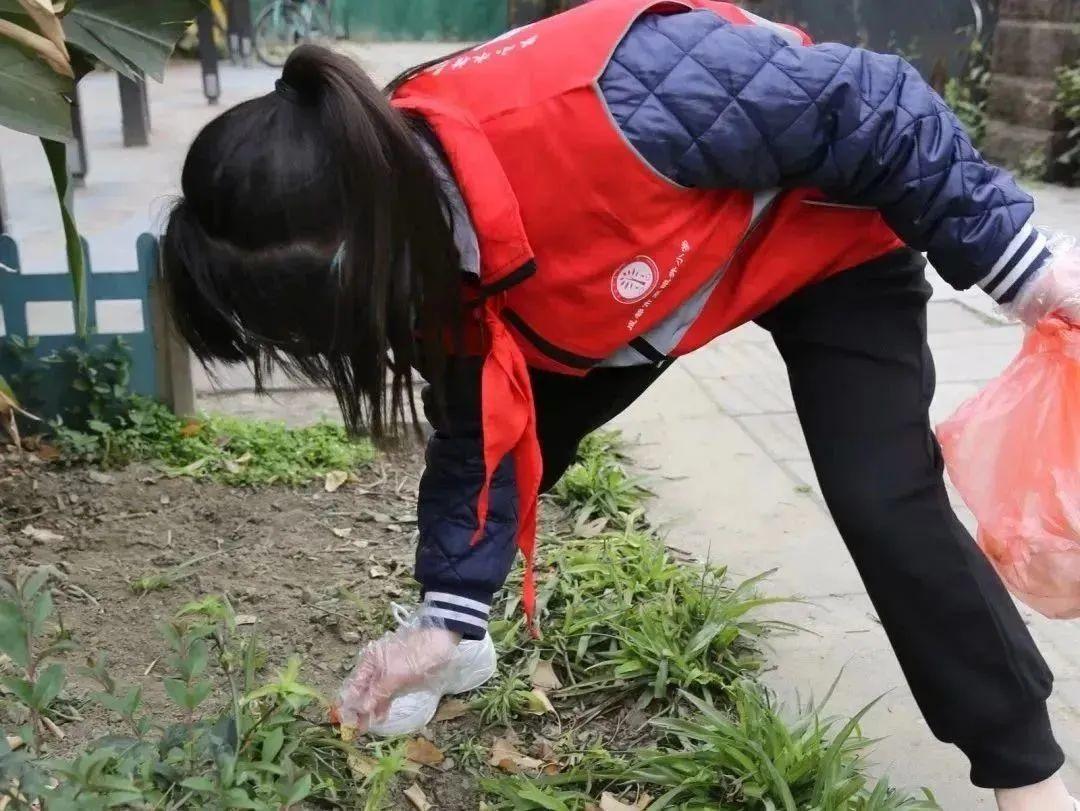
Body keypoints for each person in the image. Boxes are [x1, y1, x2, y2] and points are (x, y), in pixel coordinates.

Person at [160, 1, 1080, 807]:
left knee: (884, 499)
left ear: (361, 255)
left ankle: (1028, 774)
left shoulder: (615, 103)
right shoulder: (406, 226)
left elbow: (875, 104)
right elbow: (482, 429)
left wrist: (1024, 272)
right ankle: (457, 631)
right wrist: (443, 623)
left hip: (821, 241)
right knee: (496, 434)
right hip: (621, 286)